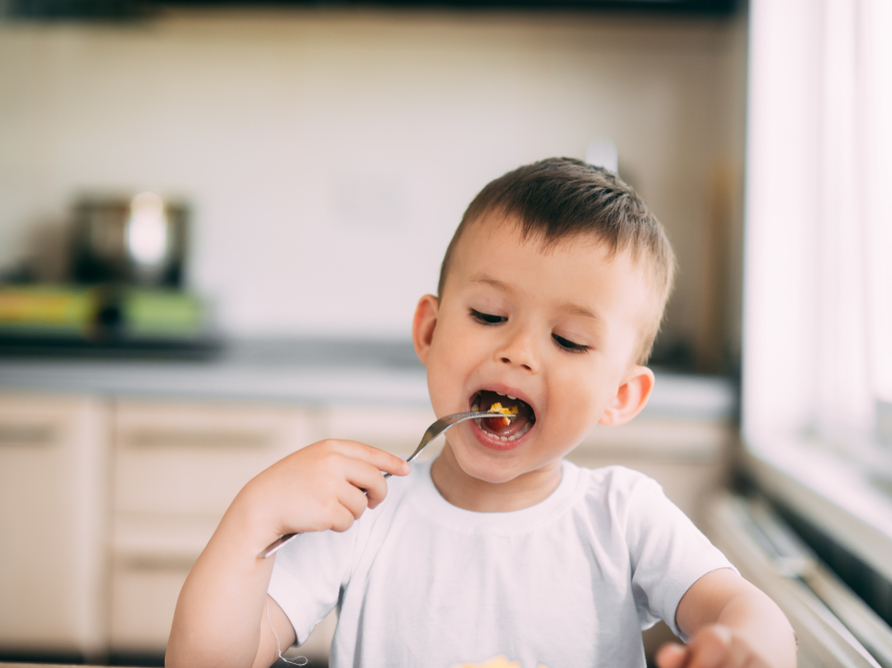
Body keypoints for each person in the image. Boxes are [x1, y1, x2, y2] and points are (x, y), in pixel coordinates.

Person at [165, 158, 796, 668]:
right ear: (430, 331)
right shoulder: (365, 518)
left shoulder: (624, 517)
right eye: (490, 316)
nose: (517, 352)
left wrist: (749, 648)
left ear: (620, 397)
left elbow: (740, 608)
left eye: (570, 341)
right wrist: (253, 517)